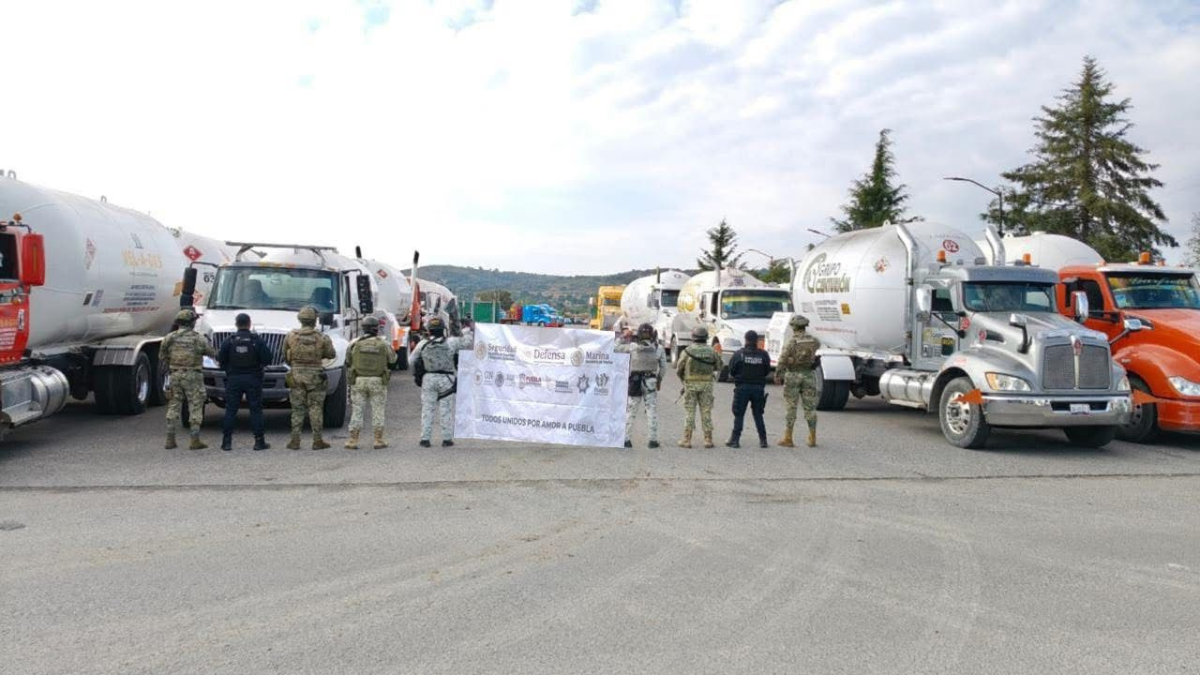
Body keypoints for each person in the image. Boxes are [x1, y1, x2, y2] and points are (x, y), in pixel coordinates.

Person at [412, 317, 472, 447]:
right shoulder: (451, 342)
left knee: (427, 409)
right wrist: (467, 329)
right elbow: (467, 342)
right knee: (446, 409)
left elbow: (412, 360)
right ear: (443, 329)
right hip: (447, 379)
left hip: (428, 379)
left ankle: (425, 439)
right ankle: (446, 439)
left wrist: (417, 375)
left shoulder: (422, 344)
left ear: (429, 330)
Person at [216, 313, 273, 451]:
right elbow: (268, 358)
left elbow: (220, 359)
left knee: (231, 410)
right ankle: (259, 442)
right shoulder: (256, 340)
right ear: (249, 324)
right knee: (255, 410)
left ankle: (226, 442)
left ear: (236, 324)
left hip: (234, 379)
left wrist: (229, 370)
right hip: (253, 378)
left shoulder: (229, 340)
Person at [161, 309, 216, 450]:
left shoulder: (170, 337)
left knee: (174, 405)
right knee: (195, 405)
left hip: (175, 374)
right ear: (191, 323)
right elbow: (211, 353)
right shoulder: (198, 338)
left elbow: (162, 356)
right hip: (193, 375)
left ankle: (170, 439)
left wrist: (173, 365)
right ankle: (194, 440)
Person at [283, 306, 336, 450]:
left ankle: (295, 441)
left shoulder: (290, 336)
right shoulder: (322, 337)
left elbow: (285, 356)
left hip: (296, 376)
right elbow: (331, 354)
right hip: (315, 376)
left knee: (297, 409)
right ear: (315, 320)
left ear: (300, 319)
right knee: (316, 408)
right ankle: (317, 441)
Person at [346, 315, 397, 450]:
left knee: (357, 409)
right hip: (378, 380)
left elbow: (348, 360)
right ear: (377, 329)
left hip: (359, 380)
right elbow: (393, 359)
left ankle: (353, 440)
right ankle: (378, 439)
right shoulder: (384, 343)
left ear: (363, 328)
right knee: (378, 409)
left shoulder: (354, 342)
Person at [616, 322, 668, 448]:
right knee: (651, 410)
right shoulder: (659, 348)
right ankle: (652, 440)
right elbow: (663, 367)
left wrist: (623, 336)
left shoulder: (633, 346)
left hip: (635, 381)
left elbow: (615, 347)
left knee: (631, 411)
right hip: (651, 381)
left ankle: (626, 440)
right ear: (652, 334)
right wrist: (659, 380)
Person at [774, 315, 820, 447]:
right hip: (809, 375)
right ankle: (812, 437)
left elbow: (783, 359)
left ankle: (788, 438)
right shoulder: (814, 341)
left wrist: (778, 374)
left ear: (793, 327)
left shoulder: (792, 342)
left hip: (793, 375)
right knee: (810, 407)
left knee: (791, 406)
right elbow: (815, 352)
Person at [675, 325, 721, 448]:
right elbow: (719, 366)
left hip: (690, 384)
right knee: (706, 411)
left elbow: (679, 369)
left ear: (693, 337)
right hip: (707, 385)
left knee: (690, 411)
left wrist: (684, 381)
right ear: (706, 337)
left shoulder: (687, 351)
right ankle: (708, 439)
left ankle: (687, 439)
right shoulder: (712, 351)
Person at [726, 329, 771, 449]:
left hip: (742, 388)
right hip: (758, 388)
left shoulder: (739, 354)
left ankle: (735, 440)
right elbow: (767, 371)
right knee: (758, 414)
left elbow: (732, 370)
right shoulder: (763, 354)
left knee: (739, 414)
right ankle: (763, 440)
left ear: (745, 340)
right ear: (757, 341)